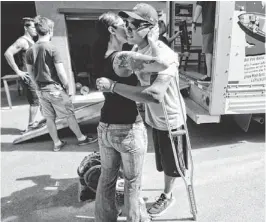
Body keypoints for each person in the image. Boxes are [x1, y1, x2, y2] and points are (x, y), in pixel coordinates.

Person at [96, 3, 187, 218]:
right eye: (126, 24)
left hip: (169, 117)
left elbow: (154, 95)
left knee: (172, 166)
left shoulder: (164, 53)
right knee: (160, 163)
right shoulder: (135, 50)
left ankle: (167, 195)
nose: (128, 28)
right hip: (151, 117)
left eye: (135, 24)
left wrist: (113, 86)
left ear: (151, 27)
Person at [25, 16, 97, 152]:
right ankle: (81, 138)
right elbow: (61, 73)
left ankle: (57, 143)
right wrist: (67, 87)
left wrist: (38, 88)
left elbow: (30, 73)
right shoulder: (52, 48)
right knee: (69, 114)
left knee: (49, 118)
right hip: (55, 89)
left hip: (41, 90)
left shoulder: (30, 50)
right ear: (50, 30)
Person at [4, 17, 44, 132]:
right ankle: (31, 125)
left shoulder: (31, 40)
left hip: (35, 75)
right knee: (35, 101)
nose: (36, 29)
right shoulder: (22, 41)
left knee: (40, 99)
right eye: (33, 27)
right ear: (26, 28)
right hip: (28, 76)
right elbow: (8, 53)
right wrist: (18, 71)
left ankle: (40, 121)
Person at [192, 1, 216, 82]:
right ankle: (214, 74)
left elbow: (199, 7)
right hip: (219, 26)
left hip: (208, 26)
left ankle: (209, 75)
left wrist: (194, 22)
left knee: (208, 51)